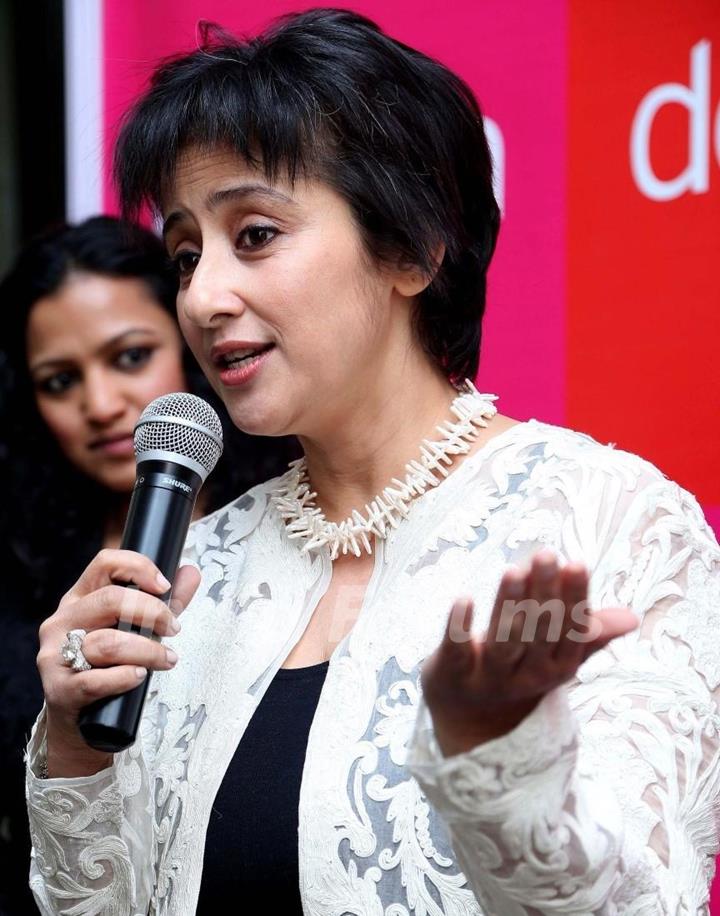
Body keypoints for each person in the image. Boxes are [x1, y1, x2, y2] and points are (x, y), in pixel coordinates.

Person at [23, 9, 720, 915]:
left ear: (413, 246)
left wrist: (494, 757)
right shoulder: (200, 567)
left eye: (257, 235)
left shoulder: (612, 522)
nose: (202, 296)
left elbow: (643, 902)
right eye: (187, 253)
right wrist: (75, 750)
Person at [0, 215, 297, 915]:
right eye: (60, 380)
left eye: (130, 356)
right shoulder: (16, 574)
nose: (100, 405)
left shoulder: (289, 529)